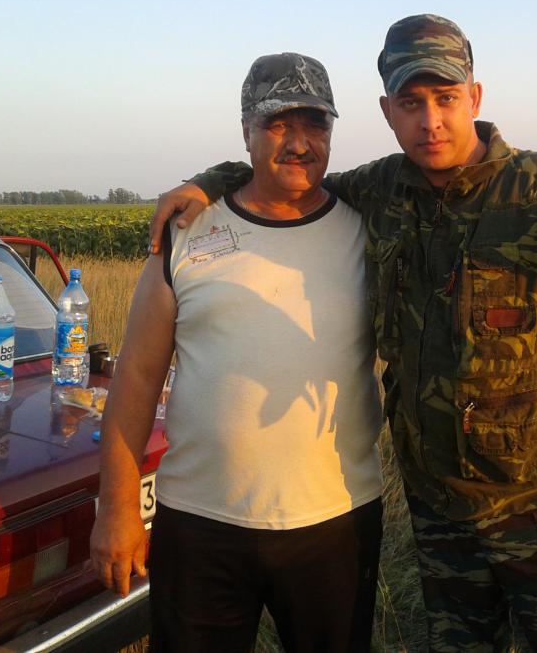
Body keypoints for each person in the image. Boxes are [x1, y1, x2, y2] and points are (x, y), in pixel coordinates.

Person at [148, 15, 537, 652]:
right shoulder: (379, 191)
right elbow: (291, 175)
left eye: (446, 98)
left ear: (475, 97)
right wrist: (213, 180)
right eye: (411, 103)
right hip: (441, 515)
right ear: (387, 111)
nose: (431, 122)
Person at [90, 53, 387, 653]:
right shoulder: (186, 232)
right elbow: (138, 375)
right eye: (278, 123)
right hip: (199, 524)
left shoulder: (370, 230)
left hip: (336, 521)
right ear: (246, 130)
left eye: (315, 123)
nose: (299, 142)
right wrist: (116, 506)